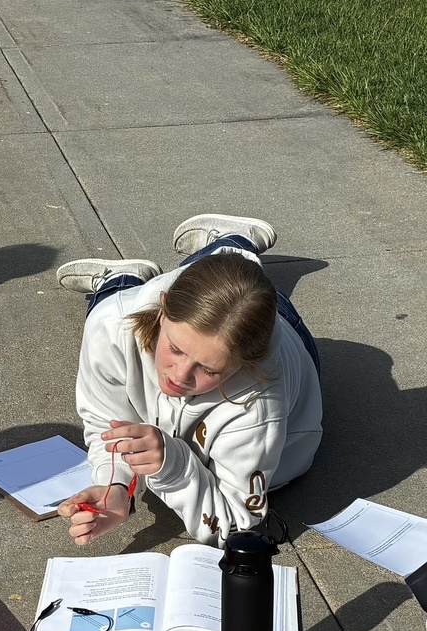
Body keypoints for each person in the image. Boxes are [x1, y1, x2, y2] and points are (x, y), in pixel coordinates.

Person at [53, 214, 322, 547]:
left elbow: (236, 526)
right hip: (168, 306)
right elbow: (102, 419)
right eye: (175, 348)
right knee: (115, 307)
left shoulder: (261, 399)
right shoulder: (110, 326)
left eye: (210, 370)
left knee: (240, 281)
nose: (179, 376)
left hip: (287, 329)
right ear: (162, 309)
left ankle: (226, 245)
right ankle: (216, 250)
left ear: (243, 365)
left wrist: (174, 466)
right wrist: (117, 486)